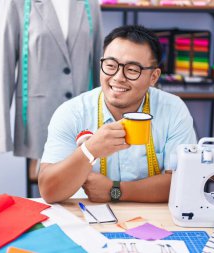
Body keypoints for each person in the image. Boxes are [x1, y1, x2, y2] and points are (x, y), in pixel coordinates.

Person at [38, 25, 196, 204]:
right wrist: (89, 151)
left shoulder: (173, 110)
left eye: (132, 70)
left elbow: (185, 183)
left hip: (154, 218)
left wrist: (116, 190)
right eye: (111, 66)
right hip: (85, 219)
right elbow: (49, 191)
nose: (118, 77)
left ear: (154, 77)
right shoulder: (72, 113)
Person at [0, 0, 103, 194]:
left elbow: (98, 61)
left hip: (82, 119)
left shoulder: (89, 4)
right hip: (38, 119)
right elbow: (6, 64)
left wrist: (103, 120)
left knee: (83, 187)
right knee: (44, 192)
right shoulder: (19, 3)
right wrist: (4, 134)